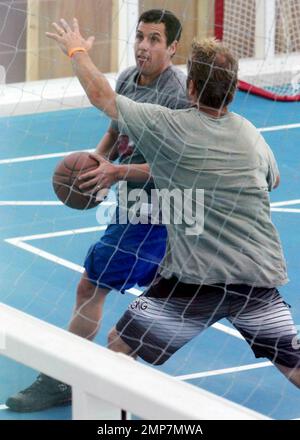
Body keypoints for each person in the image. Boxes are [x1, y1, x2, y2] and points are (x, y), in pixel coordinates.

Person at [40, 17, 300, 389]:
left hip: (194, 278)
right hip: (255, 275)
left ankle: (113, 416)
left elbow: (101, 96)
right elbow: (273, 180)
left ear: (191, 88)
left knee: (119, 346)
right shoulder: (252, 135)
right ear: (232, 92)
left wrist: (76, 49)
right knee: (295, 366)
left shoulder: (172, 126)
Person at [6, 10, 189, 412]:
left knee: (91, 286)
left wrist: (114, 172)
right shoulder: (127, 78)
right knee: (160, 298)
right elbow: (115, 123)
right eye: (140, 36)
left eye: (155, 39)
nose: (143, 46)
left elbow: (174, 168)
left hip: (158, 215)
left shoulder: (177, 94)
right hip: (133, 206)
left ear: (173, 48)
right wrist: (98, 156)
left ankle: (62, 378)